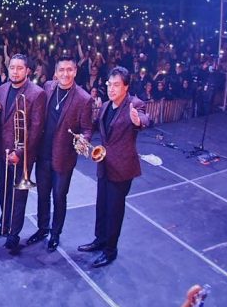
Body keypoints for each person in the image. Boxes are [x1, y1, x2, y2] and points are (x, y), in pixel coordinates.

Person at [78, 66, 151, 267]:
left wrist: (138, 120)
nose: (111, 89)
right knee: (101, 206)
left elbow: (145, 119)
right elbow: (95, 129)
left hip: (122, 169)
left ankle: (110, 250)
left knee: (114, 211)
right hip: (104, 165)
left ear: (126, 87)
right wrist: (83, 139)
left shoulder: (135, 104)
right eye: (109, 84)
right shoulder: (105, 106)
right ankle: (99, 240)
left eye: (116, 85)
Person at [27, 56, 93, 252]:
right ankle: (42, 228)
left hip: (63, 157)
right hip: (42, 153)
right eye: (61, 70)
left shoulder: (84, 98)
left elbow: (87, 128)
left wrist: (83, 138)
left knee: (59, 197)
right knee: (42, 195)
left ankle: (55, 234)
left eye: (69, 70)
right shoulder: (47, 87)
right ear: (55, 73)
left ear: (75, 71)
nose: (65, 73)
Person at [0, 54, 46, 255]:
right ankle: (4, 224)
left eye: (19, 68)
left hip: (22, 153)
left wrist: (20, 152)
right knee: (4, 191)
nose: (15, 71)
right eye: (12, 67)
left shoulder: (37, 93)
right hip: (2, 150)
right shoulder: (3, 88)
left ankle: (14, 234)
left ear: (27, 71)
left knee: (18, 195)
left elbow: (36, 128)